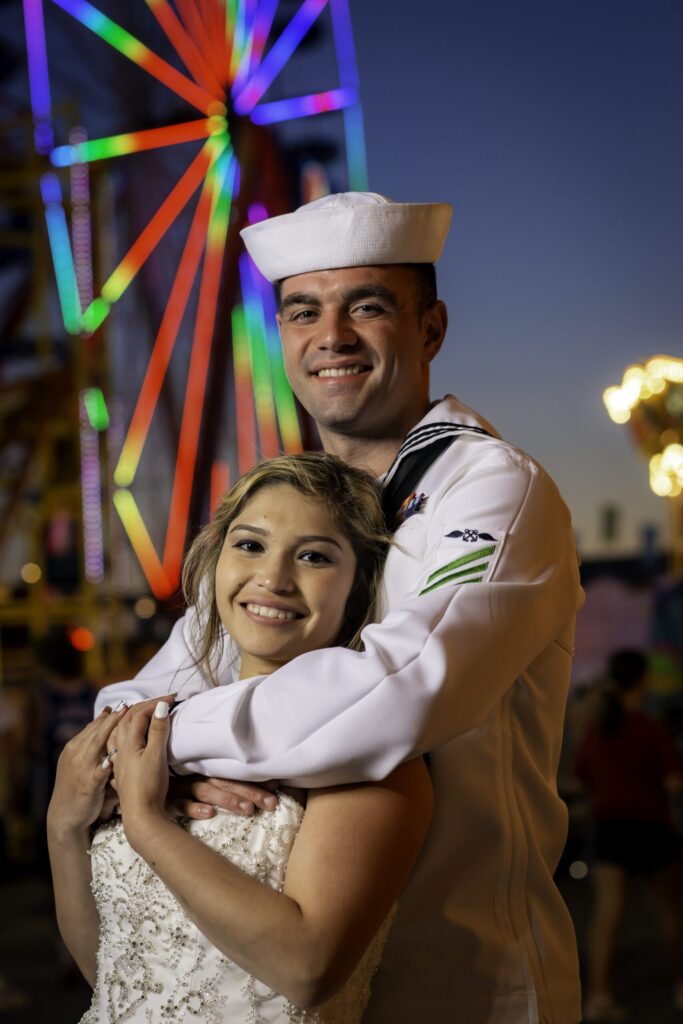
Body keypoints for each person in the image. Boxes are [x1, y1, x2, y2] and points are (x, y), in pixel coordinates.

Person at [97, 191, 583, 1023]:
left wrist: (163, 746)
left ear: (430, 329)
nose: (331, 337)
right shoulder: (304, 512)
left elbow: (398, 694)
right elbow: (131, 699)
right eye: (302, 312)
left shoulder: (494, 486)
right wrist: (136, 743)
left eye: (366, 306)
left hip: (461, 977)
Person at [48, 453, 433, 1021]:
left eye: (314, 556)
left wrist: (147, 822)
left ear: (358, 590)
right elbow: (111, 970)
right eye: (250, 544)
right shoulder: (164, 739)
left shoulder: (369, 757)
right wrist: (63, 824)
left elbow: (309, 969)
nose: (273, 579)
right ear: (215, 562)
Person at [575, 649, 683, 1022]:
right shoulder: (650, 729)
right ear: (643, 681)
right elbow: (673, 782)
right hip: (650, 826)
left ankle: (598, 997)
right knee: (670, 910)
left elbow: (584, 776)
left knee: (607, 914)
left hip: (609, 829)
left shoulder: (597, 730)